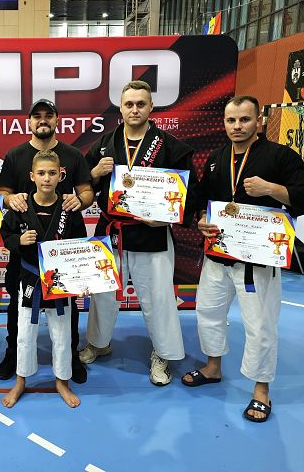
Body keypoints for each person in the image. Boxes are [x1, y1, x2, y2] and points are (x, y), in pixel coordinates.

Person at [182, 95, 304, 422]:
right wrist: (200, 219)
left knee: (260, 324)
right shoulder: (217, 158)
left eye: (244, 119)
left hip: (257, 259)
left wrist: (272, 189)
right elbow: (202, 199)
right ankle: (213, 366)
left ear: (259, 121)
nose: (237, 126)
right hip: (219, 253)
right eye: (231, 120)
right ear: (224, 123)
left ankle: (261, 390)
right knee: (208, 313)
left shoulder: (280, 156)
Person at [80, 80, 199, 386]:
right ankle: (98, 343)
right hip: (111, 231)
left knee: (158, 298)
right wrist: (95, 173)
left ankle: (163, 354)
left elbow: (191, 194)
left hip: (152, 234)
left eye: (141, 104)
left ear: (151, 107)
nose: (134, 109)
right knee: (102, 294)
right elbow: (82, 185)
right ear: (120, 109)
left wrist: (168, 219)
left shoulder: (171, 147)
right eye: (129, 104)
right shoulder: (104, 145)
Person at [0, 98, 94, 383]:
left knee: (68, 309)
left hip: (61, 251)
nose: (42, 120)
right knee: (17, 306)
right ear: (29, 121)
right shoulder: (15, 155)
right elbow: (2, 192)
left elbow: (87, 191)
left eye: (48, 115)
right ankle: (13, 354)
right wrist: (10, 199)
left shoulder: (72, 155)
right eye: (36, 115)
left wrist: (79, 201)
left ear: (56, 120)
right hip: (26, 254)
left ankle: (70, 356)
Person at [0, 150, 86, 408]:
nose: (46, 178)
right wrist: (18, 240)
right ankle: (20, 381)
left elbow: (81, 247)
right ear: (32, 176)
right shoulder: (21, 206)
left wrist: (83, 279)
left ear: (61, 175)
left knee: (62, 334)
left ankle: (62, 381)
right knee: (24, 334)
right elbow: (5, 235)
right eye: (41, 173)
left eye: (51, 173)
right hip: (29, 279)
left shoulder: (69, 208)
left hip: (61, 282)